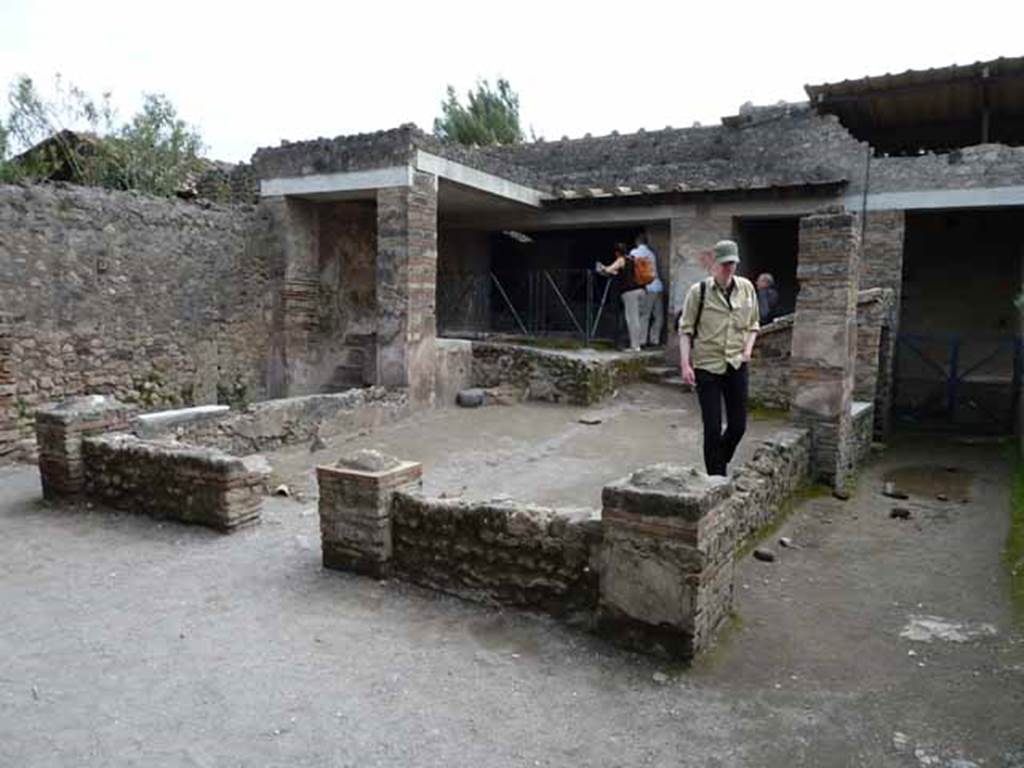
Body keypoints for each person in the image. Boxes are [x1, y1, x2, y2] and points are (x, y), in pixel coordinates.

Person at [677, 240, 760, 476]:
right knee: (712, 428)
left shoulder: (746, 288)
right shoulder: (699, 292)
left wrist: (748, 351)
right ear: (715, 264)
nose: (728, 268)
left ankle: (718, 461)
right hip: (707, 367)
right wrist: (685, 365)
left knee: (738, 426)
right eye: (724, 264)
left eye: (732, 263)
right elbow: (685, 330)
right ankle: (716, 479)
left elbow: (754, 324)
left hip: (736, 364)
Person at [596, 242, 646, 351]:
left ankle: (635, 346)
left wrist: (601, 267)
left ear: (617, 253)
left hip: (630, 292)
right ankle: (640, 342)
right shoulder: (633, 258)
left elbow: (609, 269)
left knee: (632, 319)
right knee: (639, 318)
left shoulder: (621, 260)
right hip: (641, 290)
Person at [632, 232, 664, 347]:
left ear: (637, 242)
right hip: (658, 286)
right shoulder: (651, 254)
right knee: (658, 315)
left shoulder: (634, 253)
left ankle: (642, 340)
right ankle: (655, 340)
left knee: (645, 315)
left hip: (647, 287)